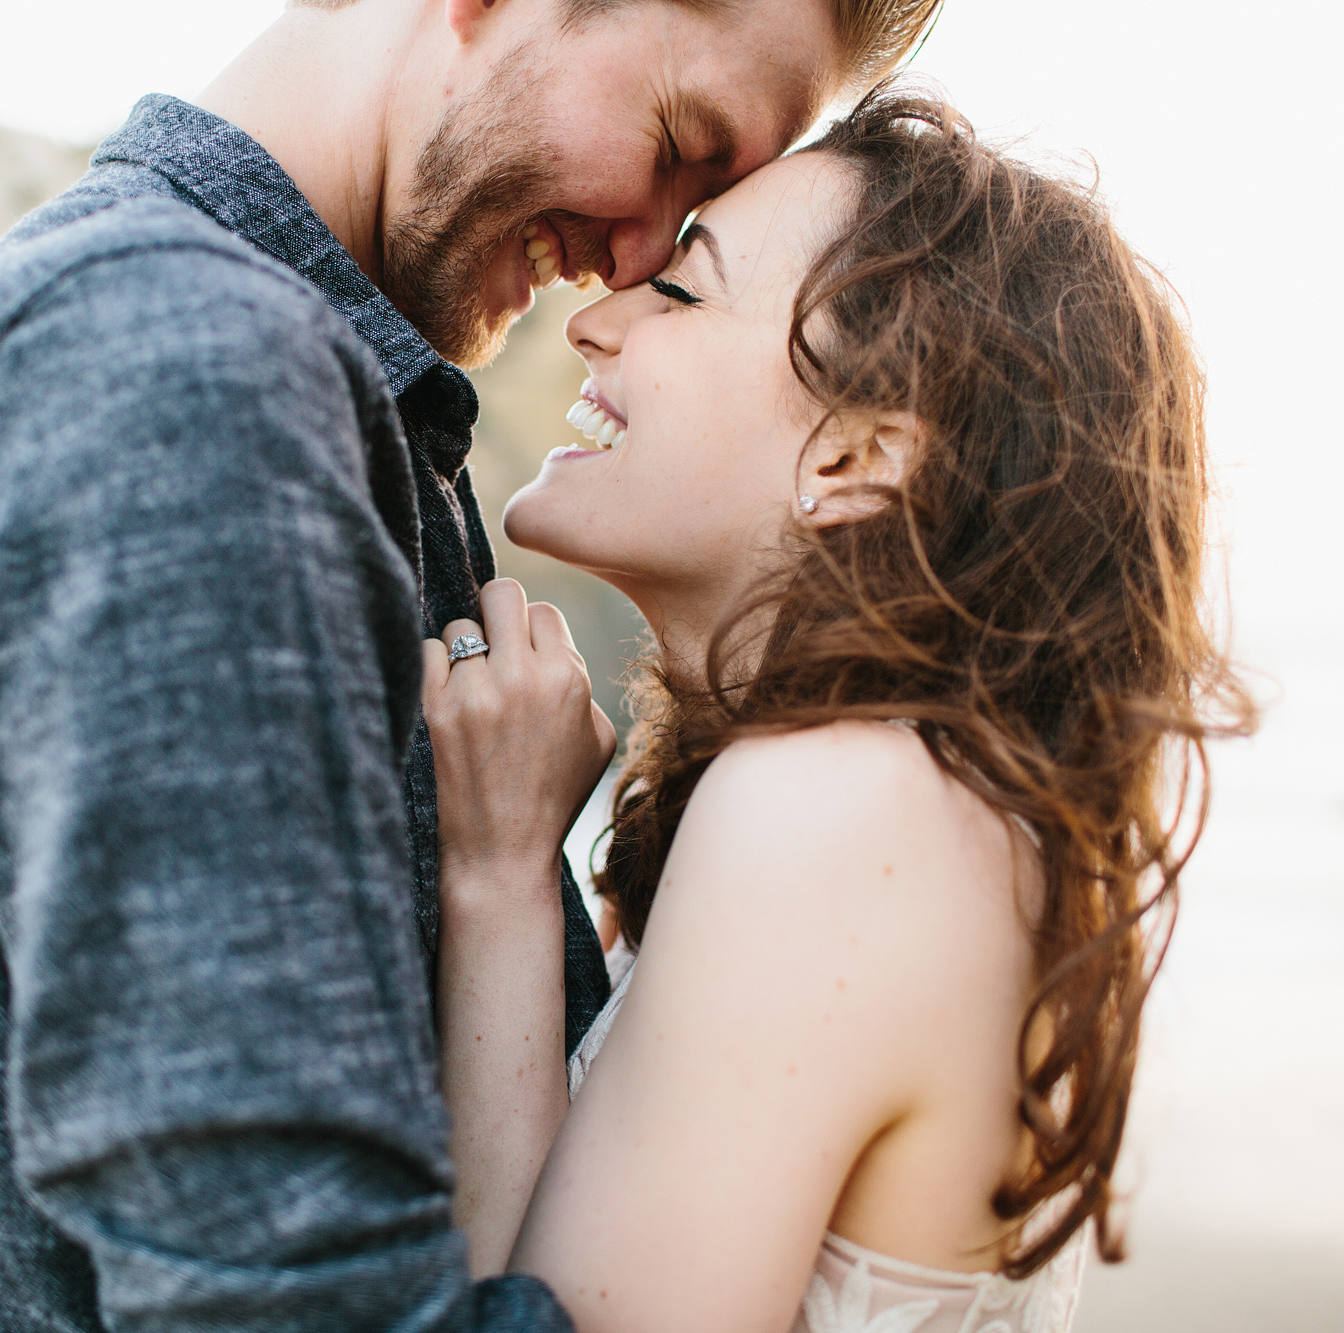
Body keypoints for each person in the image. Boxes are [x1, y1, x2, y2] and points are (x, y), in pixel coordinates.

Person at [0, 0, 946, 1328]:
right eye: (679, 138)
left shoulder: (290, 377)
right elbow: (293, 1302)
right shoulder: (185, 372)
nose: (634, 260)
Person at [422, 91, 1255, 1331]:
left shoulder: (836, 811)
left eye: (684, 293)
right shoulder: (896, 803)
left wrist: (494, 879)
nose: (594, 321)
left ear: (855, 458)